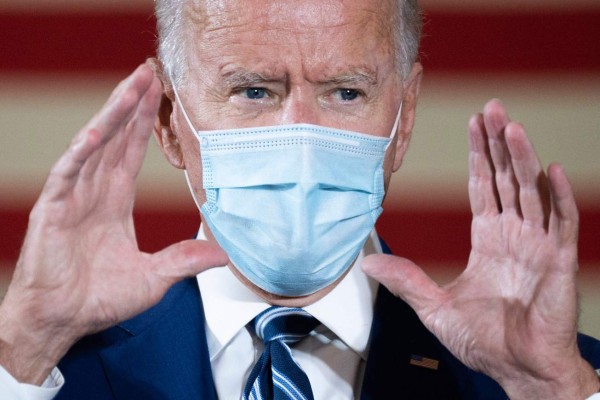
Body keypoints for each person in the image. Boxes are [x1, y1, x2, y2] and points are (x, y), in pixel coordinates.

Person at [0, 0, 599, 398]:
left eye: (345, 92)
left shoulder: (549, 378)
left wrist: (552, 390)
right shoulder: (44, 369)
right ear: (168, 120)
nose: (302, 138)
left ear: (405, 117)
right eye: (253, 90)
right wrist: (21, 350)